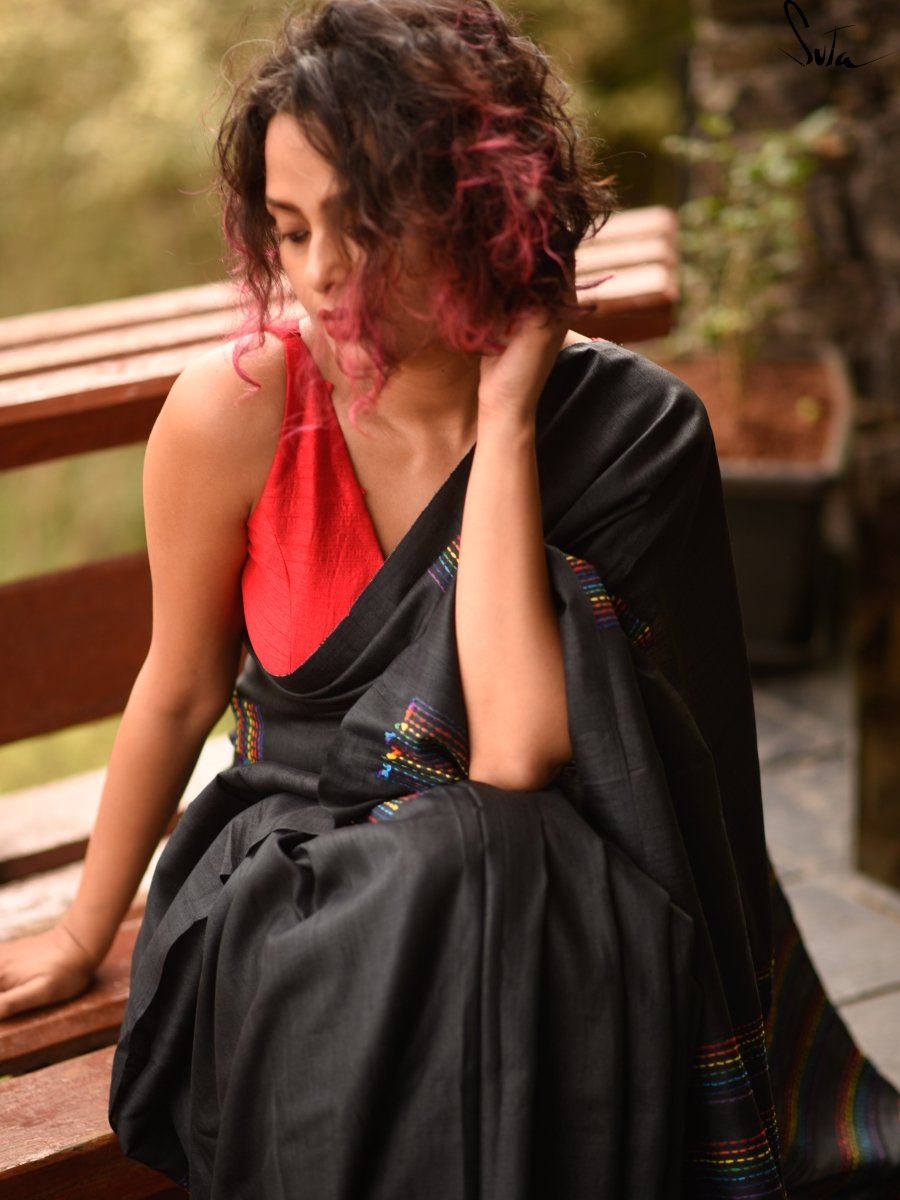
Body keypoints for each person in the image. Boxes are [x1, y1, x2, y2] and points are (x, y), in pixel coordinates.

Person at [1, 1, 898, 1196]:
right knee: (460, 873)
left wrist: (507, 422)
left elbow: (519, 754)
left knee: (485, 856)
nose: (319, 273)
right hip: (293, 877)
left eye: (363, 225)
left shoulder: (632, 436)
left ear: (486, 213)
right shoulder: (239, 415)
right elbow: (177, 688)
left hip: (547, 901)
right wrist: (83, 930)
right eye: (289, 230)